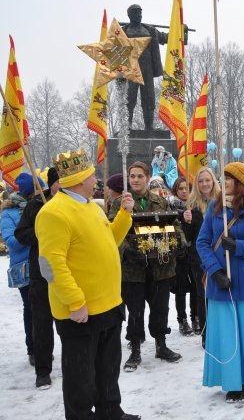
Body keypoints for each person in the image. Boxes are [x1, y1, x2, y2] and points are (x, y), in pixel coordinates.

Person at [35, 148, 140, 419]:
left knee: (108, 370)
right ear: (81, 179)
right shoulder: (53, 213)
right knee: (80, 379)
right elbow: (51, 266)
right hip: (80, 312)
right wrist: (75, 302)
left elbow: (110, 241)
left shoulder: (90, 206)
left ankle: (110, 411)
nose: (97, 180)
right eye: (92, 175)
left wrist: (125, 215)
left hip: (108, 305)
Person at [197, 162, 244, 403]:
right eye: (224, 177)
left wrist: (239, 246)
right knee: (228, 334)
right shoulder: (215, 206)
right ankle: (231, 382)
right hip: (222, 282)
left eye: (230, 178)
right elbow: (202, 242)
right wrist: (215, 270)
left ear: (240, 182)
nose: (225, 182)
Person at [110, 161, 183, 372]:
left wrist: (179, 242)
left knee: (160, 308)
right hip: (133, 270)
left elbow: (175, 224)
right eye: (132, 176)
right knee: (135, 311)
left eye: (140, 176)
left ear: (148, 177)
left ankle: (161, 345)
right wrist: (126, 250)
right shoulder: (120, 204)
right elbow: (112, 230)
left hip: (160, 266)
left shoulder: (160, 201)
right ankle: (135, 348)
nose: (135, 180)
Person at [14, 168, 60, 389]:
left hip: (70, 272)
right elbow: (20, 234)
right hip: (42, 273)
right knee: (42, 323)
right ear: (51, 184)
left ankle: (76, 362)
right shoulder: (36, 205)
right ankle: (43, 370)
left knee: (73, 322)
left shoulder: (77, 204)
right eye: (60, 182)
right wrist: (42, 232)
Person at [1, 173, 42, 367]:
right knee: (32, 308)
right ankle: (33, 348)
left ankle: (44, 344)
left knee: (46, 309)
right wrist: (36, 234)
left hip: (45, 264)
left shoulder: (44, 205)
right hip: (24, 268)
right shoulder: (9, 213)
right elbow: (11, 242)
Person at [183, 166, 221, 342]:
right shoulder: (191, 205)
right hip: (198, 258)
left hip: (219, 255)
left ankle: (221, 329)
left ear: (213, 181)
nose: (204, 184)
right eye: (200, 181)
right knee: (203, 295)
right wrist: (187, 223)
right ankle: (206, 332)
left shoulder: (222, 202)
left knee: (220, 293)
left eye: (207, 180)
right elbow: (189, 238)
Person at [122, 4, 168, 131]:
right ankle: (127, 126)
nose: (139, 16)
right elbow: (112, 47)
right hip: (131, 68)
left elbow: (166, 37)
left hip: (147, 68)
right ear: (130, 15)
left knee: (149, 97)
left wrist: (180, 31)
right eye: (136, 13)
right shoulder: (123, 31)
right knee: (129, 98)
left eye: (141, 13)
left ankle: (149, 127)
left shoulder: (149, 30)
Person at [166, 177, 196, 337]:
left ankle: (195, 316)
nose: (184, 191)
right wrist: (182, 216)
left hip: (194, 252)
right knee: (181, 288)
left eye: (187, 188)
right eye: (181, 189)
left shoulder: (195, 205)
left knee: (196, 286)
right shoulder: (171, 207)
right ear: (175, 191)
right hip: (179, 253)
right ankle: (182, 319)